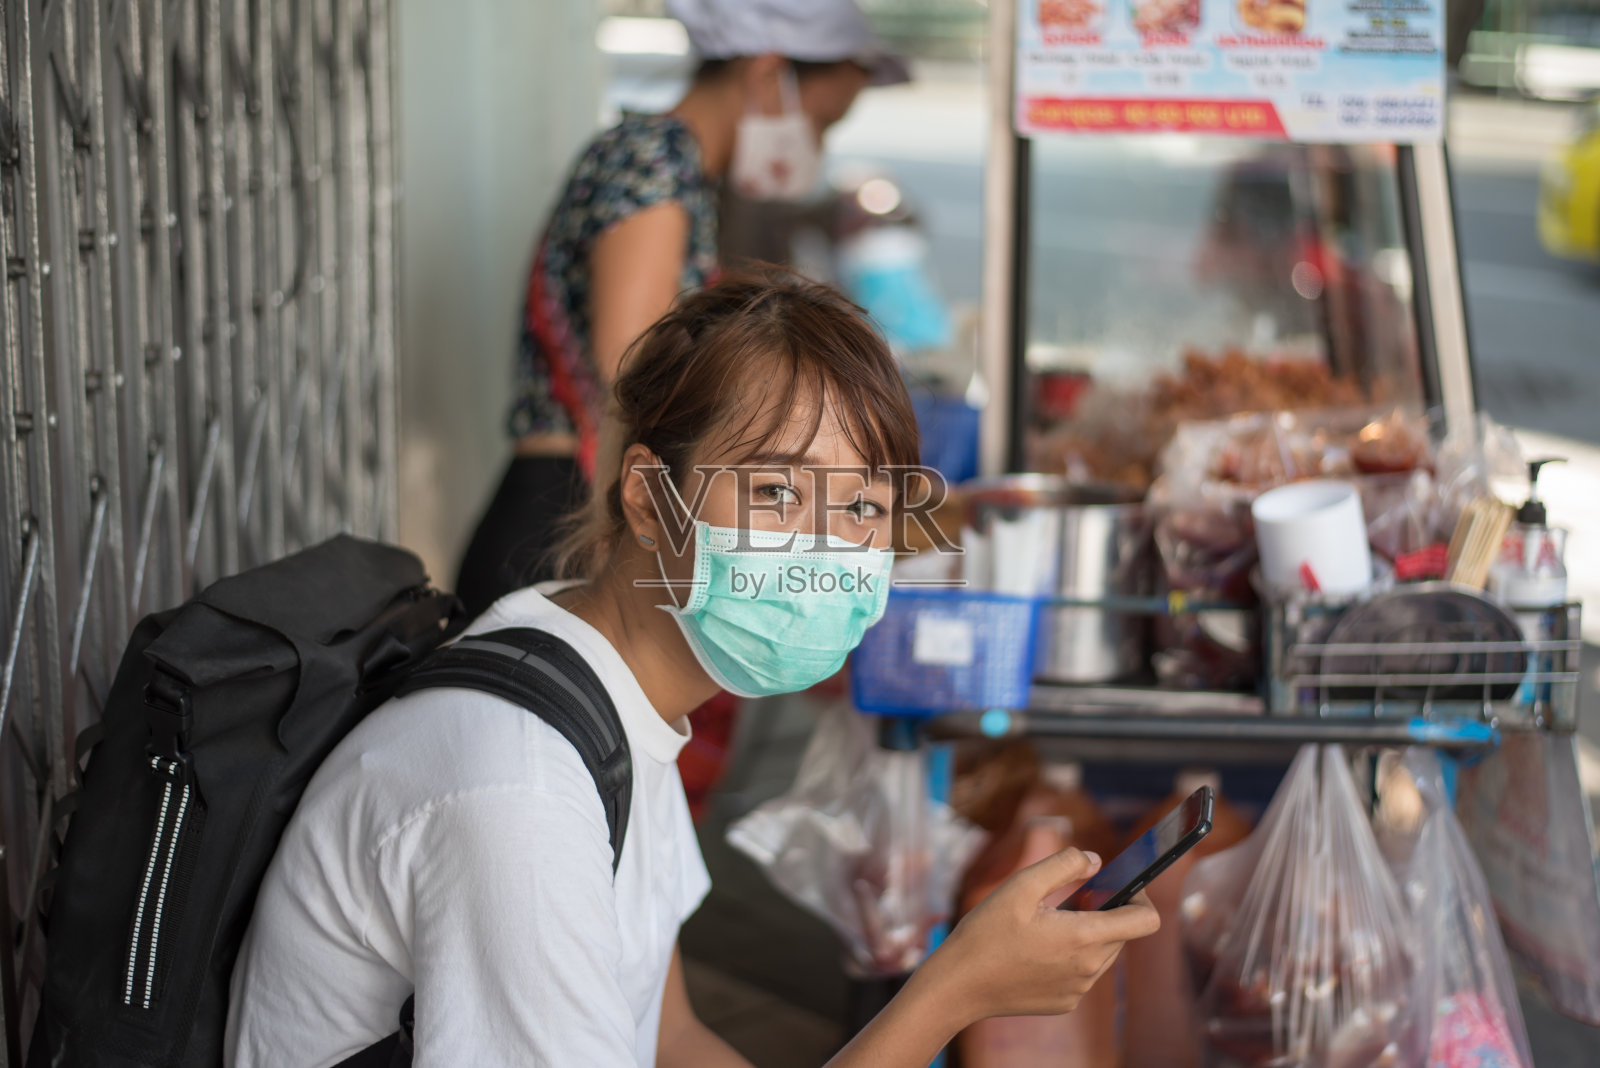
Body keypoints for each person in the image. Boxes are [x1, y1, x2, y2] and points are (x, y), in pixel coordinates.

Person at [226, 273, 1159, 1067]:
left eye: (865, 507)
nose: (827, 549)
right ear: (648, 499)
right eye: (778, 492)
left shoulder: (609, 697)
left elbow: (670, 1037)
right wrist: (952, 994)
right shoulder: (515, 790)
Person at [455, 0, 909, 619]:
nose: (817, 145)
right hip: (559, 525)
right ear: (767, 73)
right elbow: (632, 375)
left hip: (581, 504)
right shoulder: (651, 162)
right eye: (821, 122)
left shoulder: (680, 173)